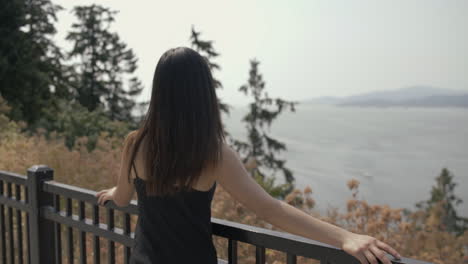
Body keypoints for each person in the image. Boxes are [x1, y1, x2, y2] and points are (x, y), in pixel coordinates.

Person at [96, 46, 402, 264]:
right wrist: (345, 238)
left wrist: (111, 192)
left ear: (158, 92)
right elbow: (271, 209)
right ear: (204, 94)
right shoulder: (212, 153)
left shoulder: (136, 143)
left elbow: (122, 197)